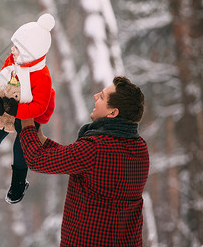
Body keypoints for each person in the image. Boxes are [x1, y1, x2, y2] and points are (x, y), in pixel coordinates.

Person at [19, 76, 149, 246]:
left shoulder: (95, 148)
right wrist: (40, 138)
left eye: (102, 97)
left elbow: (37, 160)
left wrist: (25, 119)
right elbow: (74, 160)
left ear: (113, 113)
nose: (95, 96)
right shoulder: (140, 148)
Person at [0, 14, 56, 204]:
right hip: (12, 105)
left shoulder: (42, 76)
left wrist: (16, 111)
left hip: (31, 113)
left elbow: (39, 107)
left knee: (21, 143)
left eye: (17, 48)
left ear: (31, 53)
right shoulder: (13, 61)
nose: (12, 50)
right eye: (13, 45)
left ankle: (19, 183)